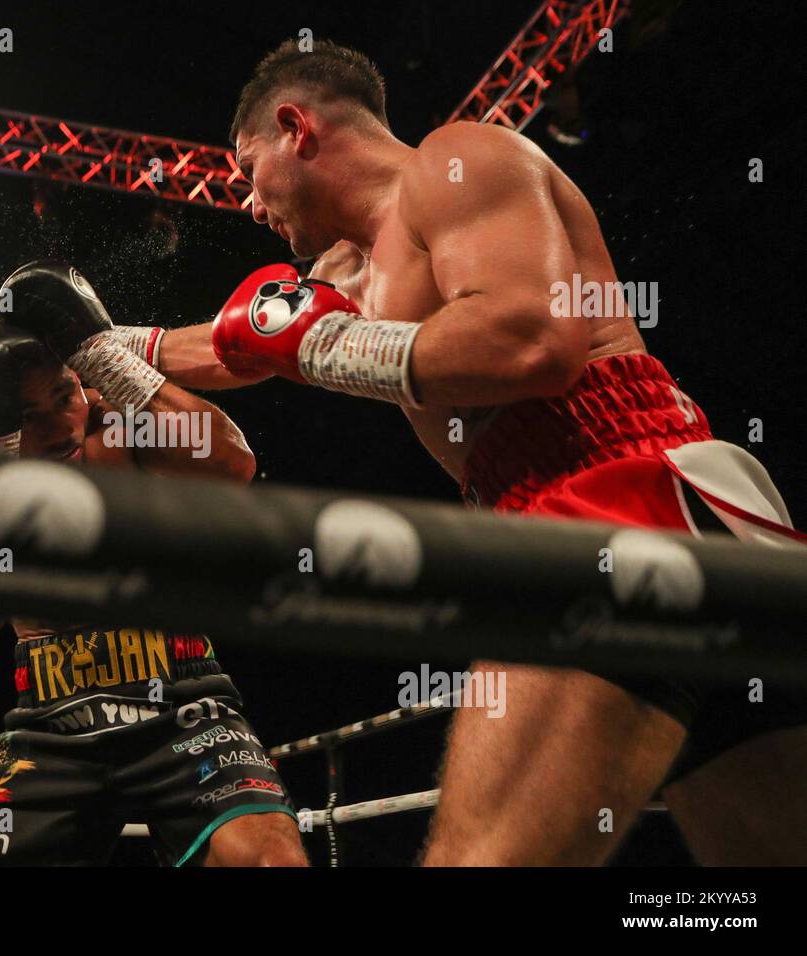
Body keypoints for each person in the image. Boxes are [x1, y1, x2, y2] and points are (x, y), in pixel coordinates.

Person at [110, 38, 807, 865]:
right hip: (666, 520)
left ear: (296, 126)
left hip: (615, 497)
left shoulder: (459, 159)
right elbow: (241, 346)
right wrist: (97, 343)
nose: (251, 204)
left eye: (248, 166)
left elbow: (534, 340)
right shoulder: (353, 270)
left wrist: (326, 346)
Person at [0, 261, 307, 867]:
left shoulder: (121, 424)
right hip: (48, 719)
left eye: (64, 395)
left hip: (183, 702)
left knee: (267, 860)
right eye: (25, 417)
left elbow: (233, 465)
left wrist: (106, 358)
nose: (59, 426)